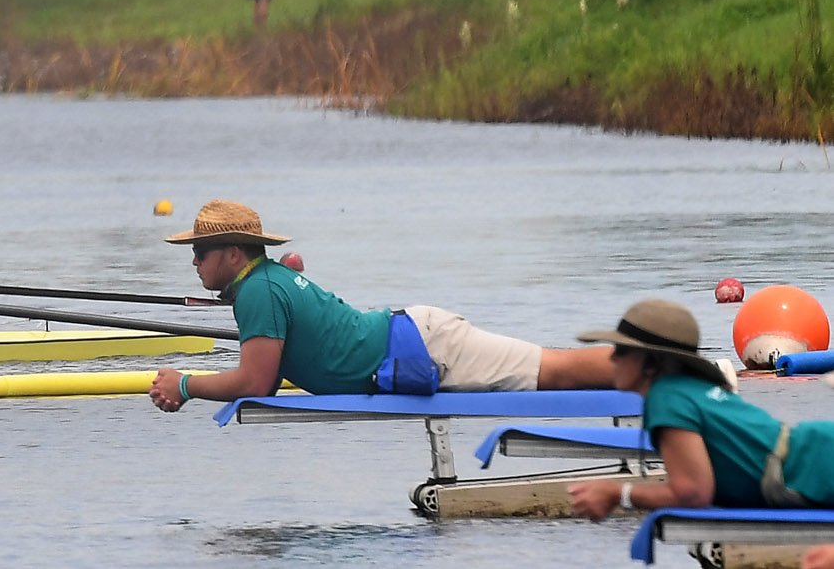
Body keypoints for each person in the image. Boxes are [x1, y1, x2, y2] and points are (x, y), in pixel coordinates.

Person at [146, 201, 613, 411]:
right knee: (552, 367)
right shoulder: (264, 282)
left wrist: (186, 384)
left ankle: (652, 367)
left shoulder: (259, 291)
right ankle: (642, 367)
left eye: (201, 252)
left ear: (233, 254)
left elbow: (257, 383)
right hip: (412, 343)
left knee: (556, 372)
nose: (193, 261)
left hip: (423, 348)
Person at [570, 297, 834, 519]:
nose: (612, 357)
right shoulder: (692, 388)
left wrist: (618, 494)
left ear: (651, 362)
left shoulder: (667, 398)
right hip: (816, 453)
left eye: (621, 350)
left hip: (814, 471)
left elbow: (694, 494)